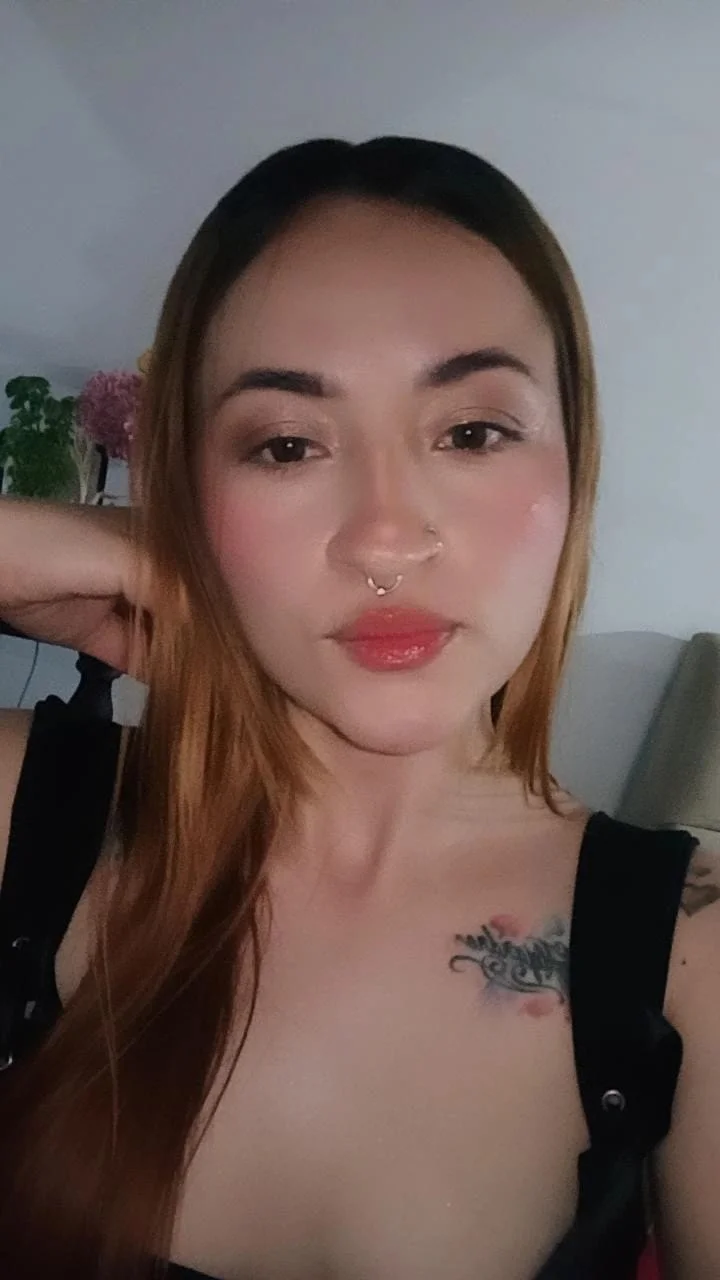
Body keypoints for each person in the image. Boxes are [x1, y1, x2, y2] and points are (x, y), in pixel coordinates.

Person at [0, 136, 717, 1280]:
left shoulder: (692, 950)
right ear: (189, 490)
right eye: (287, 444)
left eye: (472, 432)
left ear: (574, 467)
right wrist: (42, 540)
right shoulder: (27, 808)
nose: (385, 539)